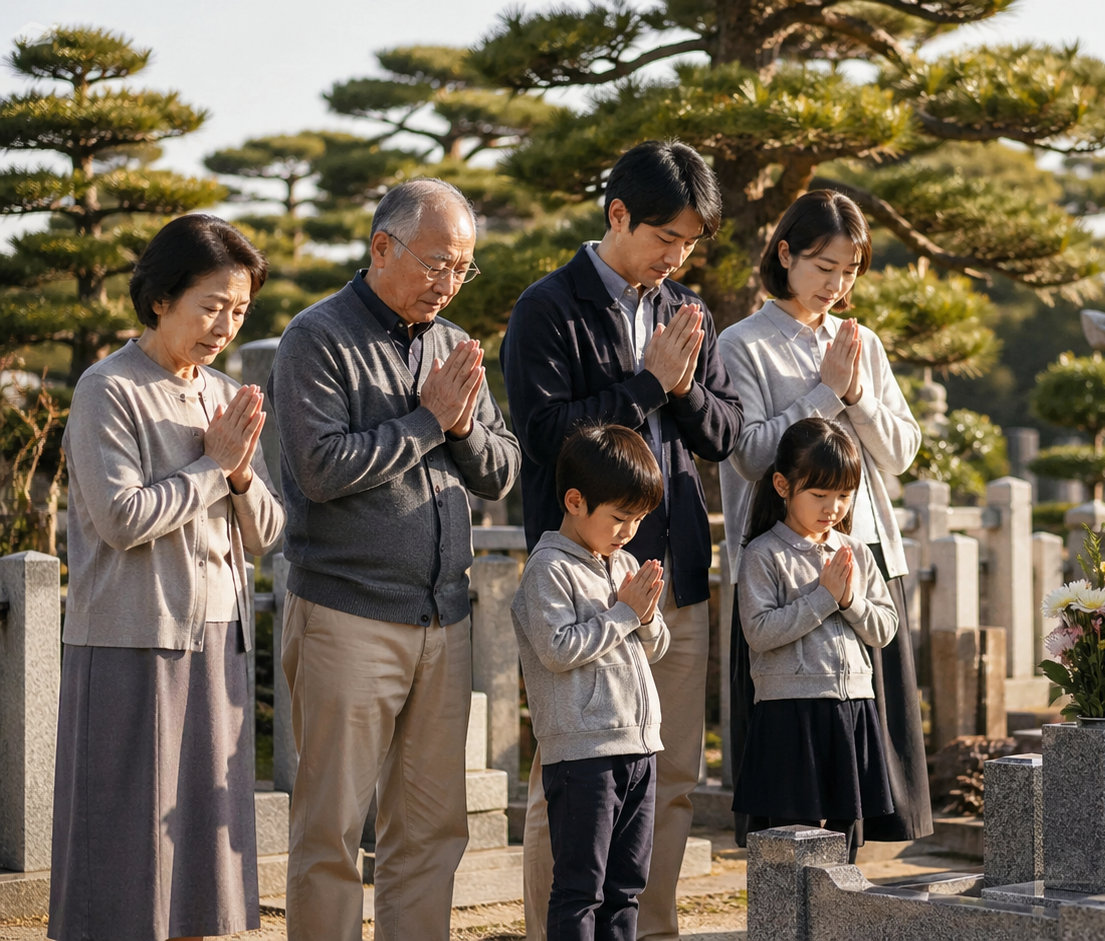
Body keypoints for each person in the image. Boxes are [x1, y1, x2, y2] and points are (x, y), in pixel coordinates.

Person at [502, 140, 741, 941]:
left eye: (689, 243)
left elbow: (722, 433)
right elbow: (542, 438)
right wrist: (645, 385)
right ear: (616, 216)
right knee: (565, 781)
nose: (675, 257)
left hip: (672, 575)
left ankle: (652, 930)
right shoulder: (549, 306)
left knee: (668, 773)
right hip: (581, 581)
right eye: (664, 238)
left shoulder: (686, 309)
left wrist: (679, 385)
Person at [272, 178, 521, 940]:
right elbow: (318, 467)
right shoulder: (316, 337)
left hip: (443, 618)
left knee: (431, 831)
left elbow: (502, 467)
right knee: (331, 831)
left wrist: (462, 425)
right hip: (346, 613)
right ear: (382, 248)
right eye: (437, 262)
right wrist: (427, 420)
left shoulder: (453, 346)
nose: (448, 283)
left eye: (462, 268)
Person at [52, 214, 283, 941]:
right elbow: (121, 517)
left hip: (220, 637)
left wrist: (241, 471)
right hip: (130, 638)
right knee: (123, 851)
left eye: (239, 310)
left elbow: (270, 532)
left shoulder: (222, 393)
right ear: (160, 298)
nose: (225, 324)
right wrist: (214, 467)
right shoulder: (107, 388)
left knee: (201, 849)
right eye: (211, 304)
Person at [716, 191, 931, 847]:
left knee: (865, 769)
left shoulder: (861, 341)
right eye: (824, 267)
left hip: (863, 552)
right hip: (779, 562)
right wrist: (824, 393)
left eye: (851, 270)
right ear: (785, 254)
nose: (838, 285)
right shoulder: (741, 343)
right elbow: (749, 453)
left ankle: (849, 894)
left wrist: (858, 390)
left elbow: (899, 451)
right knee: (791, 770)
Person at [513, 425, 670, 941]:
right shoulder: (549, 568)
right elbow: (558, 650)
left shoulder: (621, 563)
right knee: (582, 889)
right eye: (620, 518)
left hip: (639, 746)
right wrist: (626, 613)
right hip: (583, 755)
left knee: (627, 887)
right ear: (576, 501)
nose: (629, 531)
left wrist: (644, 616)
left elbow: (657, 645)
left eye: (639, 519)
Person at [731, 418, 898, 862]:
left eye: (844, 495)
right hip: (790, 714)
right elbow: (760, 632)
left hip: (852, 709)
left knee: (845, 840)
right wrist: (824, 598)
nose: (833, 507)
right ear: (783, 485)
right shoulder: (762, 554)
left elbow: (885, 627)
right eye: (819, 494)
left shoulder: (856, 552)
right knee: (791, 840)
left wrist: (849, 601)